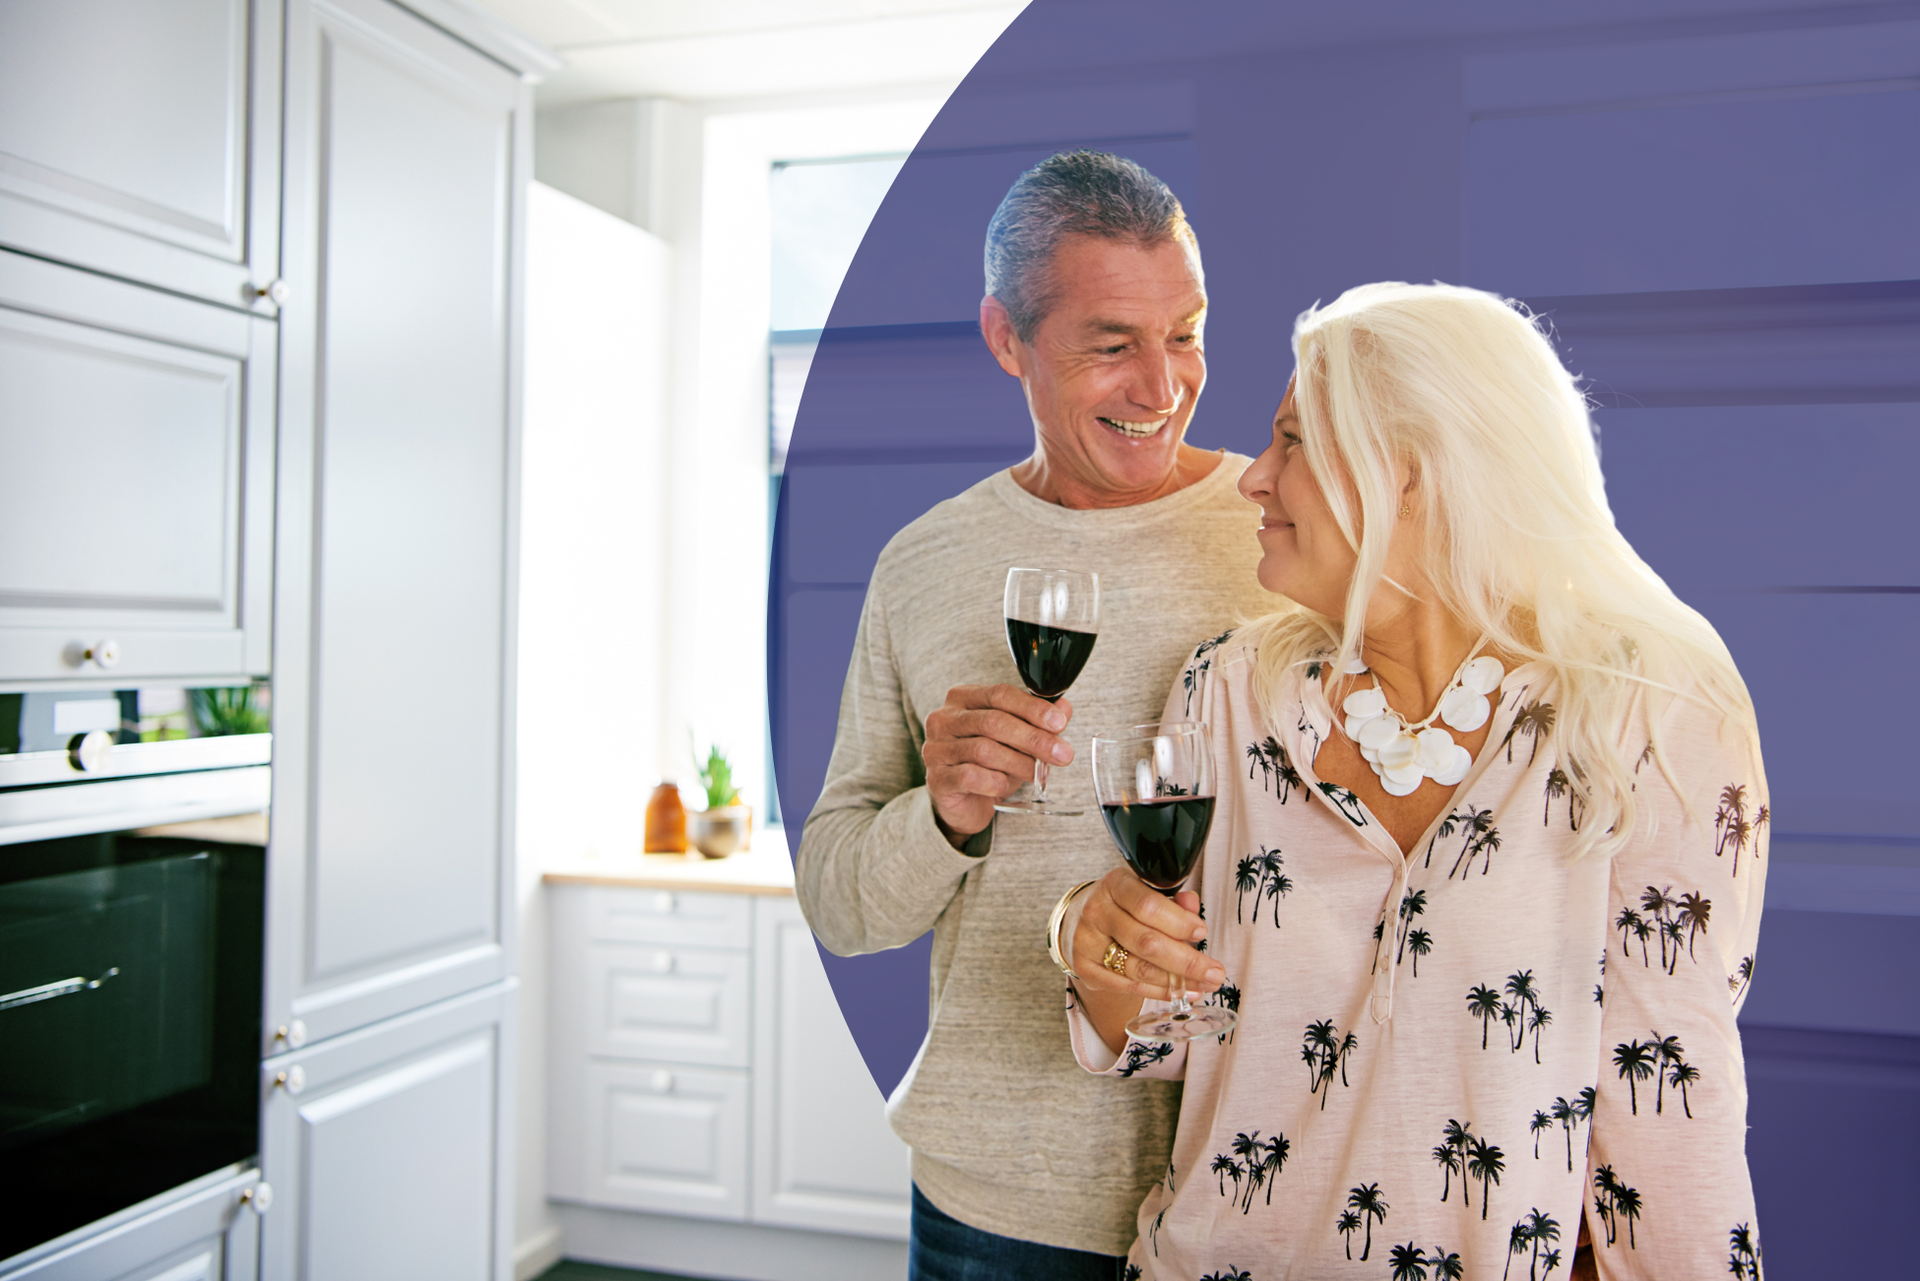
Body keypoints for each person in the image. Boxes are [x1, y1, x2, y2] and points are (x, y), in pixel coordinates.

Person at [1056, 281, 1768, 1279]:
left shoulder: (1642, 714)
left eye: (1294, 442)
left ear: (1417, 475)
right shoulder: (1228, 689)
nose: (1254, 479)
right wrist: (1099, 956)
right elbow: (1179, 1036)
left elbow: (1671, 1103)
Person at [795, 150, 1280, 1277]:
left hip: (1254, 1189)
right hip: (999, 1205)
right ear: (1006, 339)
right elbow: (840, 901)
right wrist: (944, 814)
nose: (1162, 387)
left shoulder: (1284, 531)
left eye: (1186, 334)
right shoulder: (925, 564)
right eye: (1112, 346)